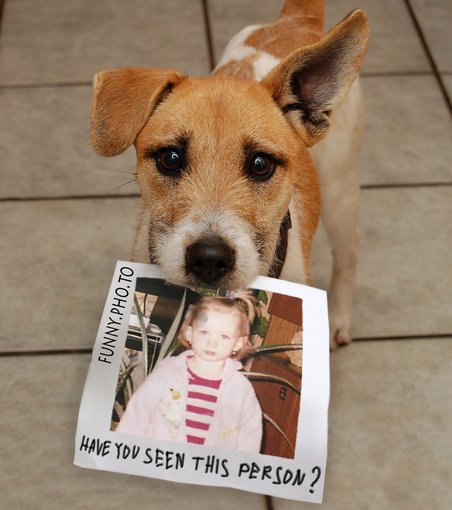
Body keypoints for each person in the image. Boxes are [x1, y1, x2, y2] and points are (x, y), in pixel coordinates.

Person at [116, 296, 262, 453]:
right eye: (204, 332)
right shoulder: (168, 373)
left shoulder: (240, 389)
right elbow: (137, 415)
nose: (212, 343)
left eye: (224, 336)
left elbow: (250, 437)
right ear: (189, 333)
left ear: (238, 343)